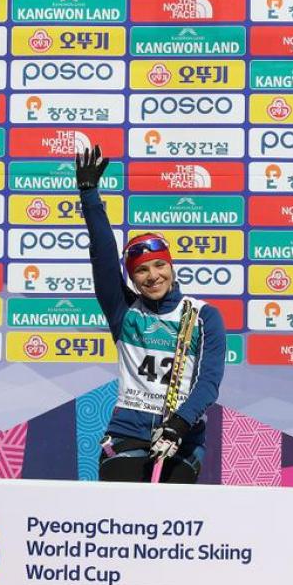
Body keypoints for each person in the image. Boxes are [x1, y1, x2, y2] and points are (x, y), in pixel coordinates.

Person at [75, 145, 227, 483]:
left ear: (171, 267)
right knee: (121, 518)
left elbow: (209, 384)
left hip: (182, 436)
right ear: (131, 277)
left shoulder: (203, 316)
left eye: (160, 265)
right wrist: (90, 195)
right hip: (128, 432)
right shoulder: (125, 311)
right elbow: (102, 254)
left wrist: (179, 423)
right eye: (141, 270)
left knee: (171, 527)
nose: (153, 275)